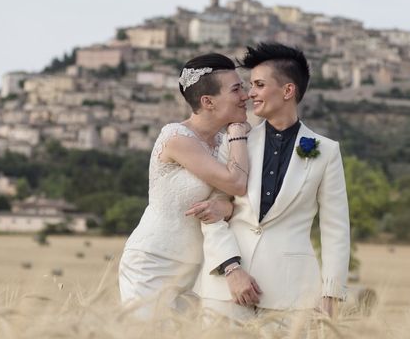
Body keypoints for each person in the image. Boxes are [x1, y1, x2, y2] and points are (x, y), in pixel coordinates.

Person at [194, 43, 350, 323]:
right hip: (225, 290)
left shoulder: (325, 151)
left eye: (259, 84)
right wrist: (231, 268)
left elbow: (335, 229)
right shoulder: (233, 142)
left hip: (291, 295)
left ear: (288, 91)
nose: (250, 93)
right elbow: (213, 212)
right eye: (250, 85)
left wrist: (331, 295)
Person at [118, 53, 252, 317]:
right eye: (236, 89)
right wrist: (238, 133)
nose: (245, 95)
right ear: (207, 101)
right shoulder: (177, 137)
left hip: (196, 270)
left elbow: (232, 200)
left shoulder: (222, 143)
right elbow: (236, 182)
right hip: (152, 263)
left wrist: (223, 208)